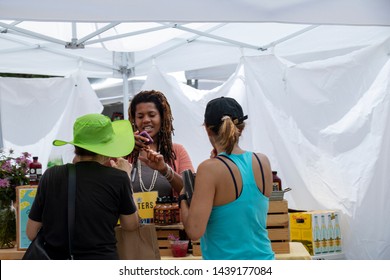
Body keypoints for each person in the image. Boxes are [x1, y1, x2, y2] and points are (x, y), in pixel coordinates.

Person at [26, 113, 139, 260]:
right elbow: (131, 225)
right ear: (106, 149)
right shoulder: (118, 178)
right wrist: (127, 177)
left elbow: (31, 232)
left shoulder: (51, 175)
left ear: (76, 146)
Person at [179, 96, 275, 260]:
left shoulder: (209, 169)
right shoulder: (262, 161)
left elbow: (194, 231)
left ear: (208, 130)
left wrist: (182, 195)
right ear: (241, 128)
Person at [127, 90, 194, 198]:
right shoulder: (125, 153)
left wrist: (165, 170)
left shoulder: (177, 151)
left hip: (169, 214)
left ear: (162, 118)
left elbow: (191, 190)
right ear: (134, 120)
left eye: (152, 115)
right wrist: (124, 147)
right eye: (140, 116)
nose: (146, 120)